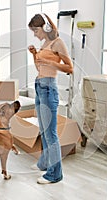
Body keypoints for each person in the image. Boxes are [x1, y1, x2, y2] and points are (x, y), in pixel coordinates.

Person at [28, 13, 73, 184]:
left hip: (48, 89)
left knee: (50, 133)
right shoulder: (44, 44)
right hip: (39, 87)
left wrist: (53, 63)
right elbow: (39, 67)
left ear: (46, 27)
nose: (34, 34)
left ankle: (55, 174)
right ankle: (44, 163)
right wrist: (34, 54)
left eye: (35, 30)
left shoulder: (58, 43)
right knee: (44, 130)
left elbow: (70, 68)